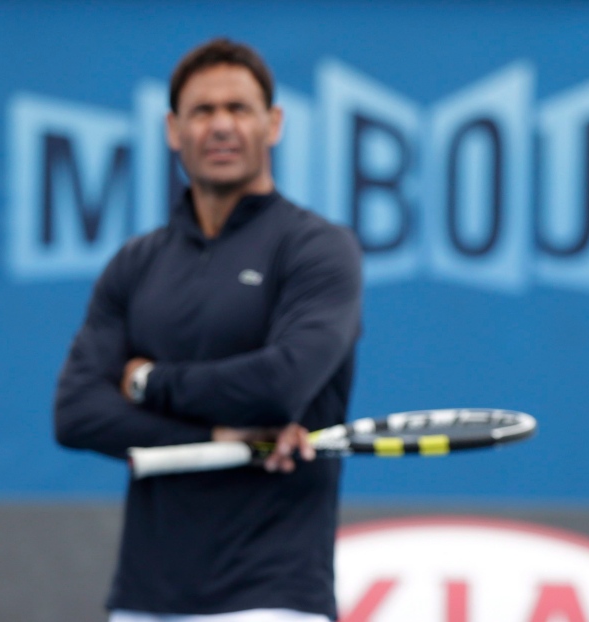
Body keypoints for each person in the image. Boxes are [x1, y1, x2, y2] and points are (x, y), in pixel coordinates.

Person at [54, 38, 362, 622]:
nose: (221, 125)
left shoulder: (317, 248)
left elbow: (281, 385)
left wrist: (146, 383)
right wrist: (218, 439)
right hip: (144, 601)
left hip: (273, 596)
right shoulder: (135, 263)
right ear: (174, 129)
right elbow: (76, 413)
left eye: (238, 109)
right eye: (202, 111)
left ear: (273, 123)